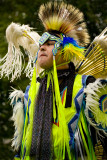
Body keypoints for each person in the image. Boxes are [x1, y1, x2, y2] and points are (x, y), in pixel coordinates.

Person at [0, 1, 107, 160]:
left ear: (66, 51)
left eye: (50, 44)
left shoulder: (87, 87)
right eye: (41, 45)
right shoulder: (30, 92)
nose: (42, 47)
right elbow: (23, 146)